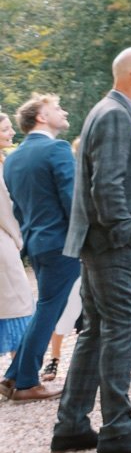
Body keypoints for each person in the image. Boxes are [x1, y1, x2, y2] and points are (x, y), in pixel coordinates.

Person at [50, 47, 131, 453]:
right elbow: (108, 184)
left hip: (99, 242)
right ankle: (117, 430)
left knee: (98, 329)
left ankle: (72, 424)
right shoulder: (116, 114)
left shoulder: (108, 111)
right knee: (120, 326)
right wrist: (126, 233)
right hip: (112, 243)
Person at [1, 94, 76, 403]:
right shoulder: (56, 148)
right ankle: (26, 381)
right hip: (62, 242)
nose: (64, 111)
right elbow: (73, 200)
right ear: (41, 118)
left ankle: (13, 377)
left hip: (37, 242)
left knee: (47, 307)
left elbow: (19, 208)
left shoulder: (14, 158)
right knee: (49, 309)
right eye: (57, 108)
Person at [0, 116, 32, 383]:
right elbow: (5, 211)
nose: (12, 132)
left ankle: (18, 373)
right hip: (3, 243)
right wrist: (20, 240)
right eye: (5, 128)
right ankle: (21, 376)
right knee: (16, 307)